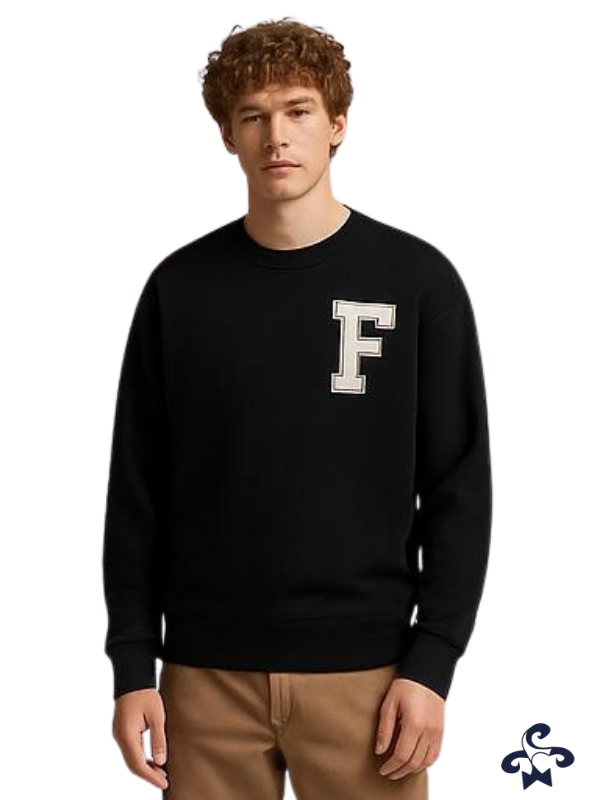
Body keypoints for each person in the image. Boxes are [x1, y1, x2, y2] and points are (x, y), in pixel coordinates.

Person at [102, 16, 492, 800]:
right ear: (228, 135)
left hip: (370, 681)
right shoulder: (180, 290)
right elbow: (137, 493)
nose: (276, 135)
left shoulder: (417, 282)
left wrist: (432, 663)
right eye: (252, 115)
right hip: (203, 682)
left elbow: (459, 490)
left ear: (338, 122)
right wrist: (133, 666)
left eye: (298, 110)